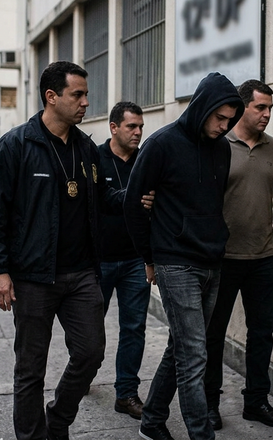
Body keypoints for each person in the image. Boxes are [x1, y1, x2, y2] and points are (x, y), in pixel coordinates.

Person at [0, 61, 124, 440]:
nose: (86, 102)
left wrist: (136, 197)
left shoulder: (86, 147)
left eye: (86, 94)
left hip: (82, 274)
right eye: (78, 94)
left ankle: (58, 419)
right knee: (30, 369)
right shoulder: (15, 145)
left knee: (90, 353)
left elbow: (101, 198)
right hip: (33, 278)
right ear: (51, 97)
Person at [124, 72, 244, 440]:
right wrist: (149, 257)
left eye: (230, 120)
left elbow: (208, 201)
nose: (224, 127)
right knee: (195, 356)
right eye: (218, 118)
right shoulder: (161, 144)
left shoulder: (223, 148)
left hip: (212, 261)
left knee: (183, 347)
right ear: (201, 108)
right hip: (174, 261)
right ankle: (200, 434)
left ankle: (152, 420)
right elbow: (132, 204)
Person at [204, 80, 273, 430]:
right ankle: (209, 403)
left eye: (270, 108)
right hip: (221, 259)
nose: (267, 114)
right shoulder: (218, 144)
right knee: (213, 335)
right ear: (242, 107)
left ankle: (256, 402)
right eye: (261, 108)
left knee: (262, 334)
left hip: (261, 258)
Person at [97, 101, 150, 419]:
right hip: (98, 259)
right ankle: (83, 373)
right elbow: (97, 201)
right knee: (89, 329)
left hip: (134, 258)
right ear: (114, 127)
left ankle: (126, 393)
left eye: (141, 126)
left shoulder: (146, 158)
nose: (138, 132)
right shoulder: (94, 158)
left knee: (134, 327)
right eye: (132, 126)